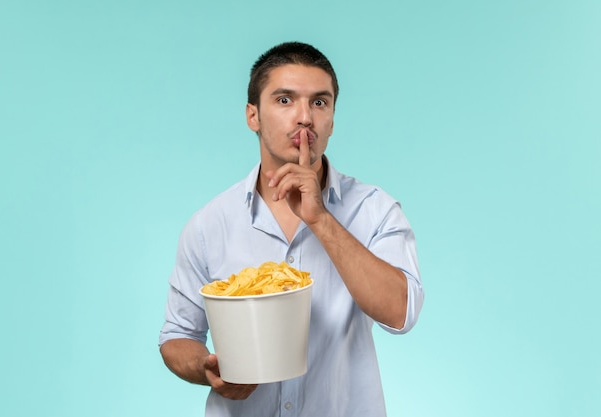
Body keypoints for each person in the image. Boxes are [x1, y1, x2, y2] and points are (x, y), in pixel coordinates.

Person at [159, 41, 424, 416]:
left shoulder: (375, 210)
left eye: (319, 102)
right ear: (253, 116)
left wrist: (320, 219)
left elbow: (401, 312)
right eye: (285, 100)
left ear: (332, 118)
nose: (305, 117)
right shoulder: (209, 224)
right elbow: (177, 337)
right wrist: (208, 369)